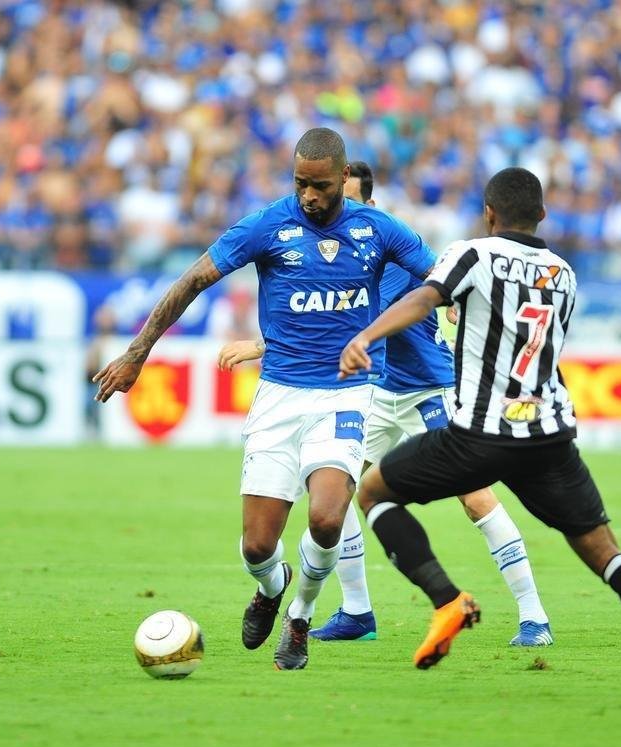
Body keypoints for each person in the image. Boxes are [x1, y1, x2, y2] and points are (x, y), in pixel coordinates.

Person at [337, 167, 621, 702]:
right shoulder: (564, 273)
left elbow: (425, 299)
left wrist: (366, 335)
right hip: (548, 437)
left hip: (480, 434)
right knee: (606, 553)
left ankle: (447, 601)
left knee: (374, 491)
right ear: (542, 214)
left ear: (489, 213)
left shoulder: (471, 254)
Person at [94, 128, 436, 670]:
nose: (309, 196)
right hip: (279, 396)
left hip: (347, 394)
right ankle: (272, 588)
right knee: (257, 547)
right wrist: (138, 354)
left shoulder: (379, 229)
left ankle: (299, 615)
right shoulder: (266, 226)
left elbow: (443, 279)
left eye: (321, 186)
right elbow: (192, 281)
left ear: (344, 178)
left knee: (327, 518)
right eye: (300, 184)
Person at [219, 160, 553, 647]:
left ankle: (533, 615)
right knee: (337, 493)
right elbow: (330, 320)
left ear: (369, 204)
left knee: (475, 495)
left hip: (428, 390)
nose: (334, 211)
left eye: (348, 200)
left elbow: (363, 315)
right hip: (374, 392)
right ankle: (357, 610)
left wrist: (258, 345)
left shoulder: (389, 255)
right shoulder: (342, 251)